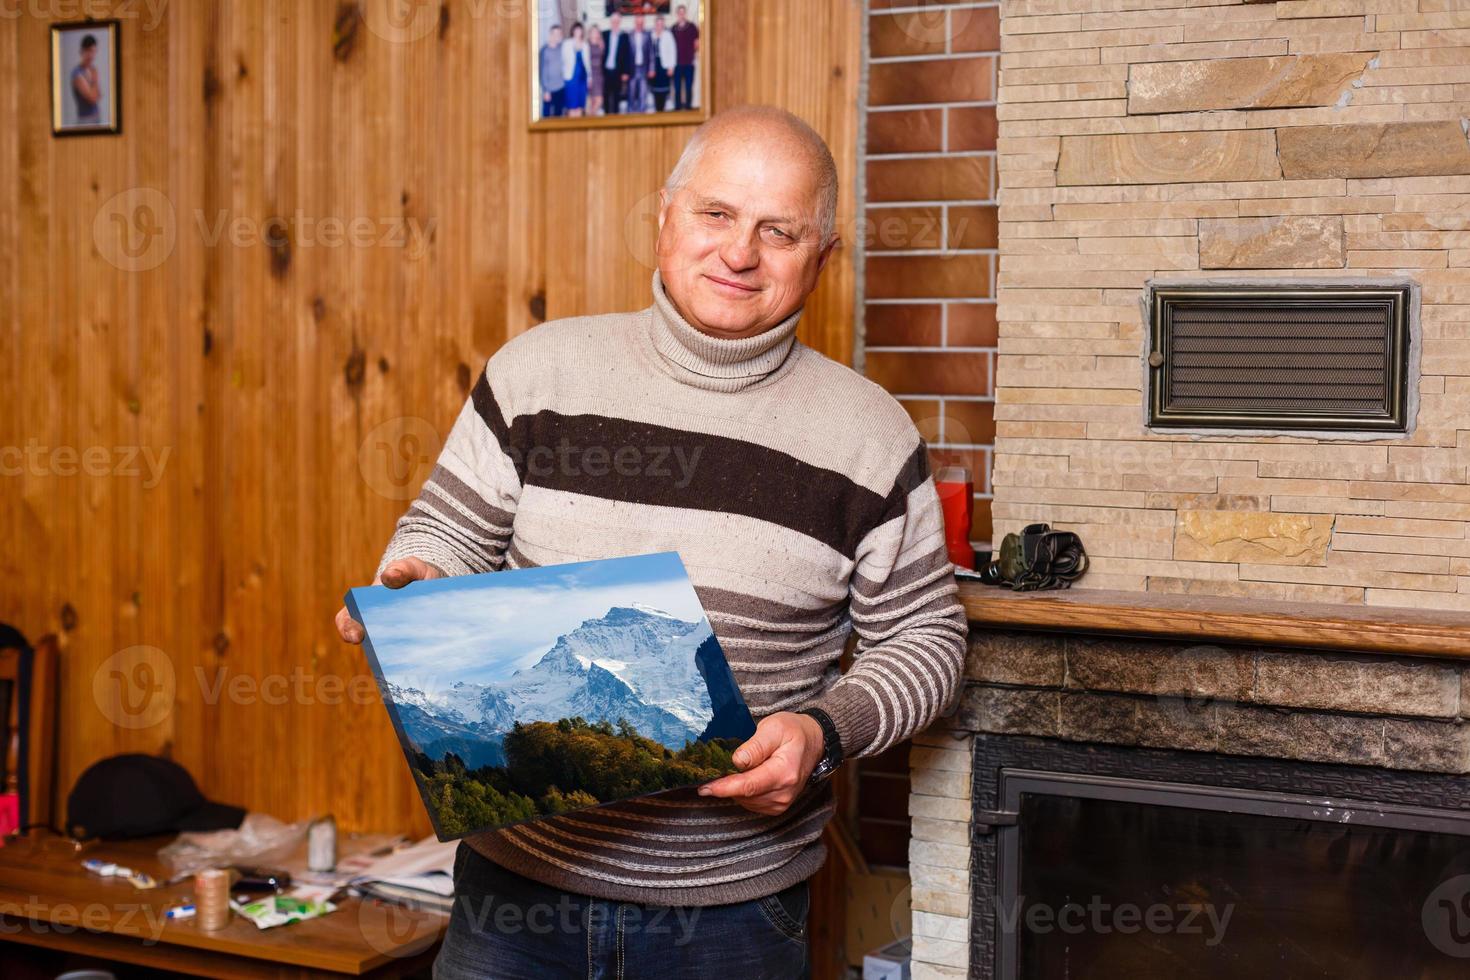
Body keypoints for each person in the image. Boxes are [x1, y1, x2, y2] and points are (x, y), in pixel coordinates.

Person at [336, 105, 968, 978]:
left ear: (820, 258)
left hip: (733, 918)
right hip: (513, 899)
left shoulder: (871, 435)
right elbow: (445, 530)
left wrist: (825, 730)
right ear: (665, 216)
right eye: (715, 215)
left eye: (777, 231)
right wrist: (418, 577)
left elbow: (928, 641)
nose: (739, 254)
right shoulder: (537, 373)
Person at [601, 12, 631, 115]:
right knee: (605, 95)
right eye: (613, 21)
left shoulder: (625, 36)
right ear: (611, 22)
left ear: (620, 22)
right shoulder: (604, 34)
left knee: (616, 96)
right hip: (605, 71)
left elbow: (628, 55)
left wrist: (626, 72)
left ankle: (615, 116)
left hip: (618, 71)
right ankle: (606, 116)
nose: (615, 23)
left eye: (617, 21)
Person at [670, 4, 699, 111]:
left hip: (689, 64)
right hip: (676, 64)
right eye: (679, 13)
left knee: (688, 87)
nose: (681, 15)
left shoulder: (692, 27)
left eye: (683, 13)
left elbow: (697, 43)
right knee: (677, 88)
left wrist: (691, 53)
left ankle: (688, 107)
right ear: (677, 14)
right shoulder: (673, 28)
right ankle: (677, 107)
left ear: (685, 14)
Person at [71, 34, 101, 125]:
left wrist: (94, 92)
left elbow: (98, 95)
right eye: (88, 51)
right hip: (85, 121)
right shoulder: (77, 73)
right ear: (81, 52)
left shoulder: (91, 69)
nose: (90, 55)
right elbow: (92, 98)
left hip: (96, 117)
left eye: (93, 51)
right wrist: (95, 79)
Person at [562, 22, 590, 117]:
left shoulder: (585, 45)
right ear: (573, 31)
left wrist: (590, 78)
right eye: (576, 29)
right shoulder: (567, 43)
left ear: (582, 31)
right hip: (571, 77)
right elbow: (563, 60)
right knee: (571, 104)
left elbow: (588, 63)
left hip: (583, 78)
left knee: (580, 104)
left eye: (580, 30)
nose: (578, 32)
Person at [539, 24, 566, 118]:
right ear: (550, 34)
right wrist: (545, 91)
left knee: (558, 115)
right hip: (549, 90)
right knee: (546, 117)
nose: (556, 36)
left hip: (561, 87)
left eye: (559, 34)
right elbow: (542, 73)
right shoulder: (544, 50)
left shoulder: (562, 47)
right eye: (554, 34)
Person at [626, 13, 652, 113]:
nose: (639, 25)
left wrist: (651, 69)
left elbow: (651, 53)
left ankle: (642, 112)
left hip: (644, 68)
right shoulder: (629, 35)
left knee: (643, 92)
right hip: (632, 68)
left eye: (641, 23)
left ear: (643, 23)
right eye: (638, 23)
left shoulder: (647, 35)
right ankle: (630, 113)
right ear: (635, 23)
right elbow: (626, 55)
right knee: (631, 92)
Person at [650, 15, 675, 112]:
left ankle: (663, 108)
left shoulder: (668, 35)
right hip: (654, 64)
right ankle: (657, 108)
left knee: (664, 88)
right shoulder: (651, 35)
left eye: (661, 24)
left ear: (663, 24)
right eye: (657, 24)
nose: (659, 25)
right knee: (655, 88)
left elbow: (673, 51)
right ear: (655, 24)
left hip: (664, 65)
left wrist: (671, 67)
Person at [587, 22, 605, 116]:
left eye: (597, 32)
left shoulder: (601, 44)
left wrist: (602, 48)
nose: (595, 34)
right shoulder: (586, 45)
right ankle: (590, 117)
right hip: (590, 75)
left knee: (599, 100)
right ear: (590, 33)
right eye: (593, 32)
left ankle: (591, 116)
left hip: (599, 76)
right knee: (591, 101)